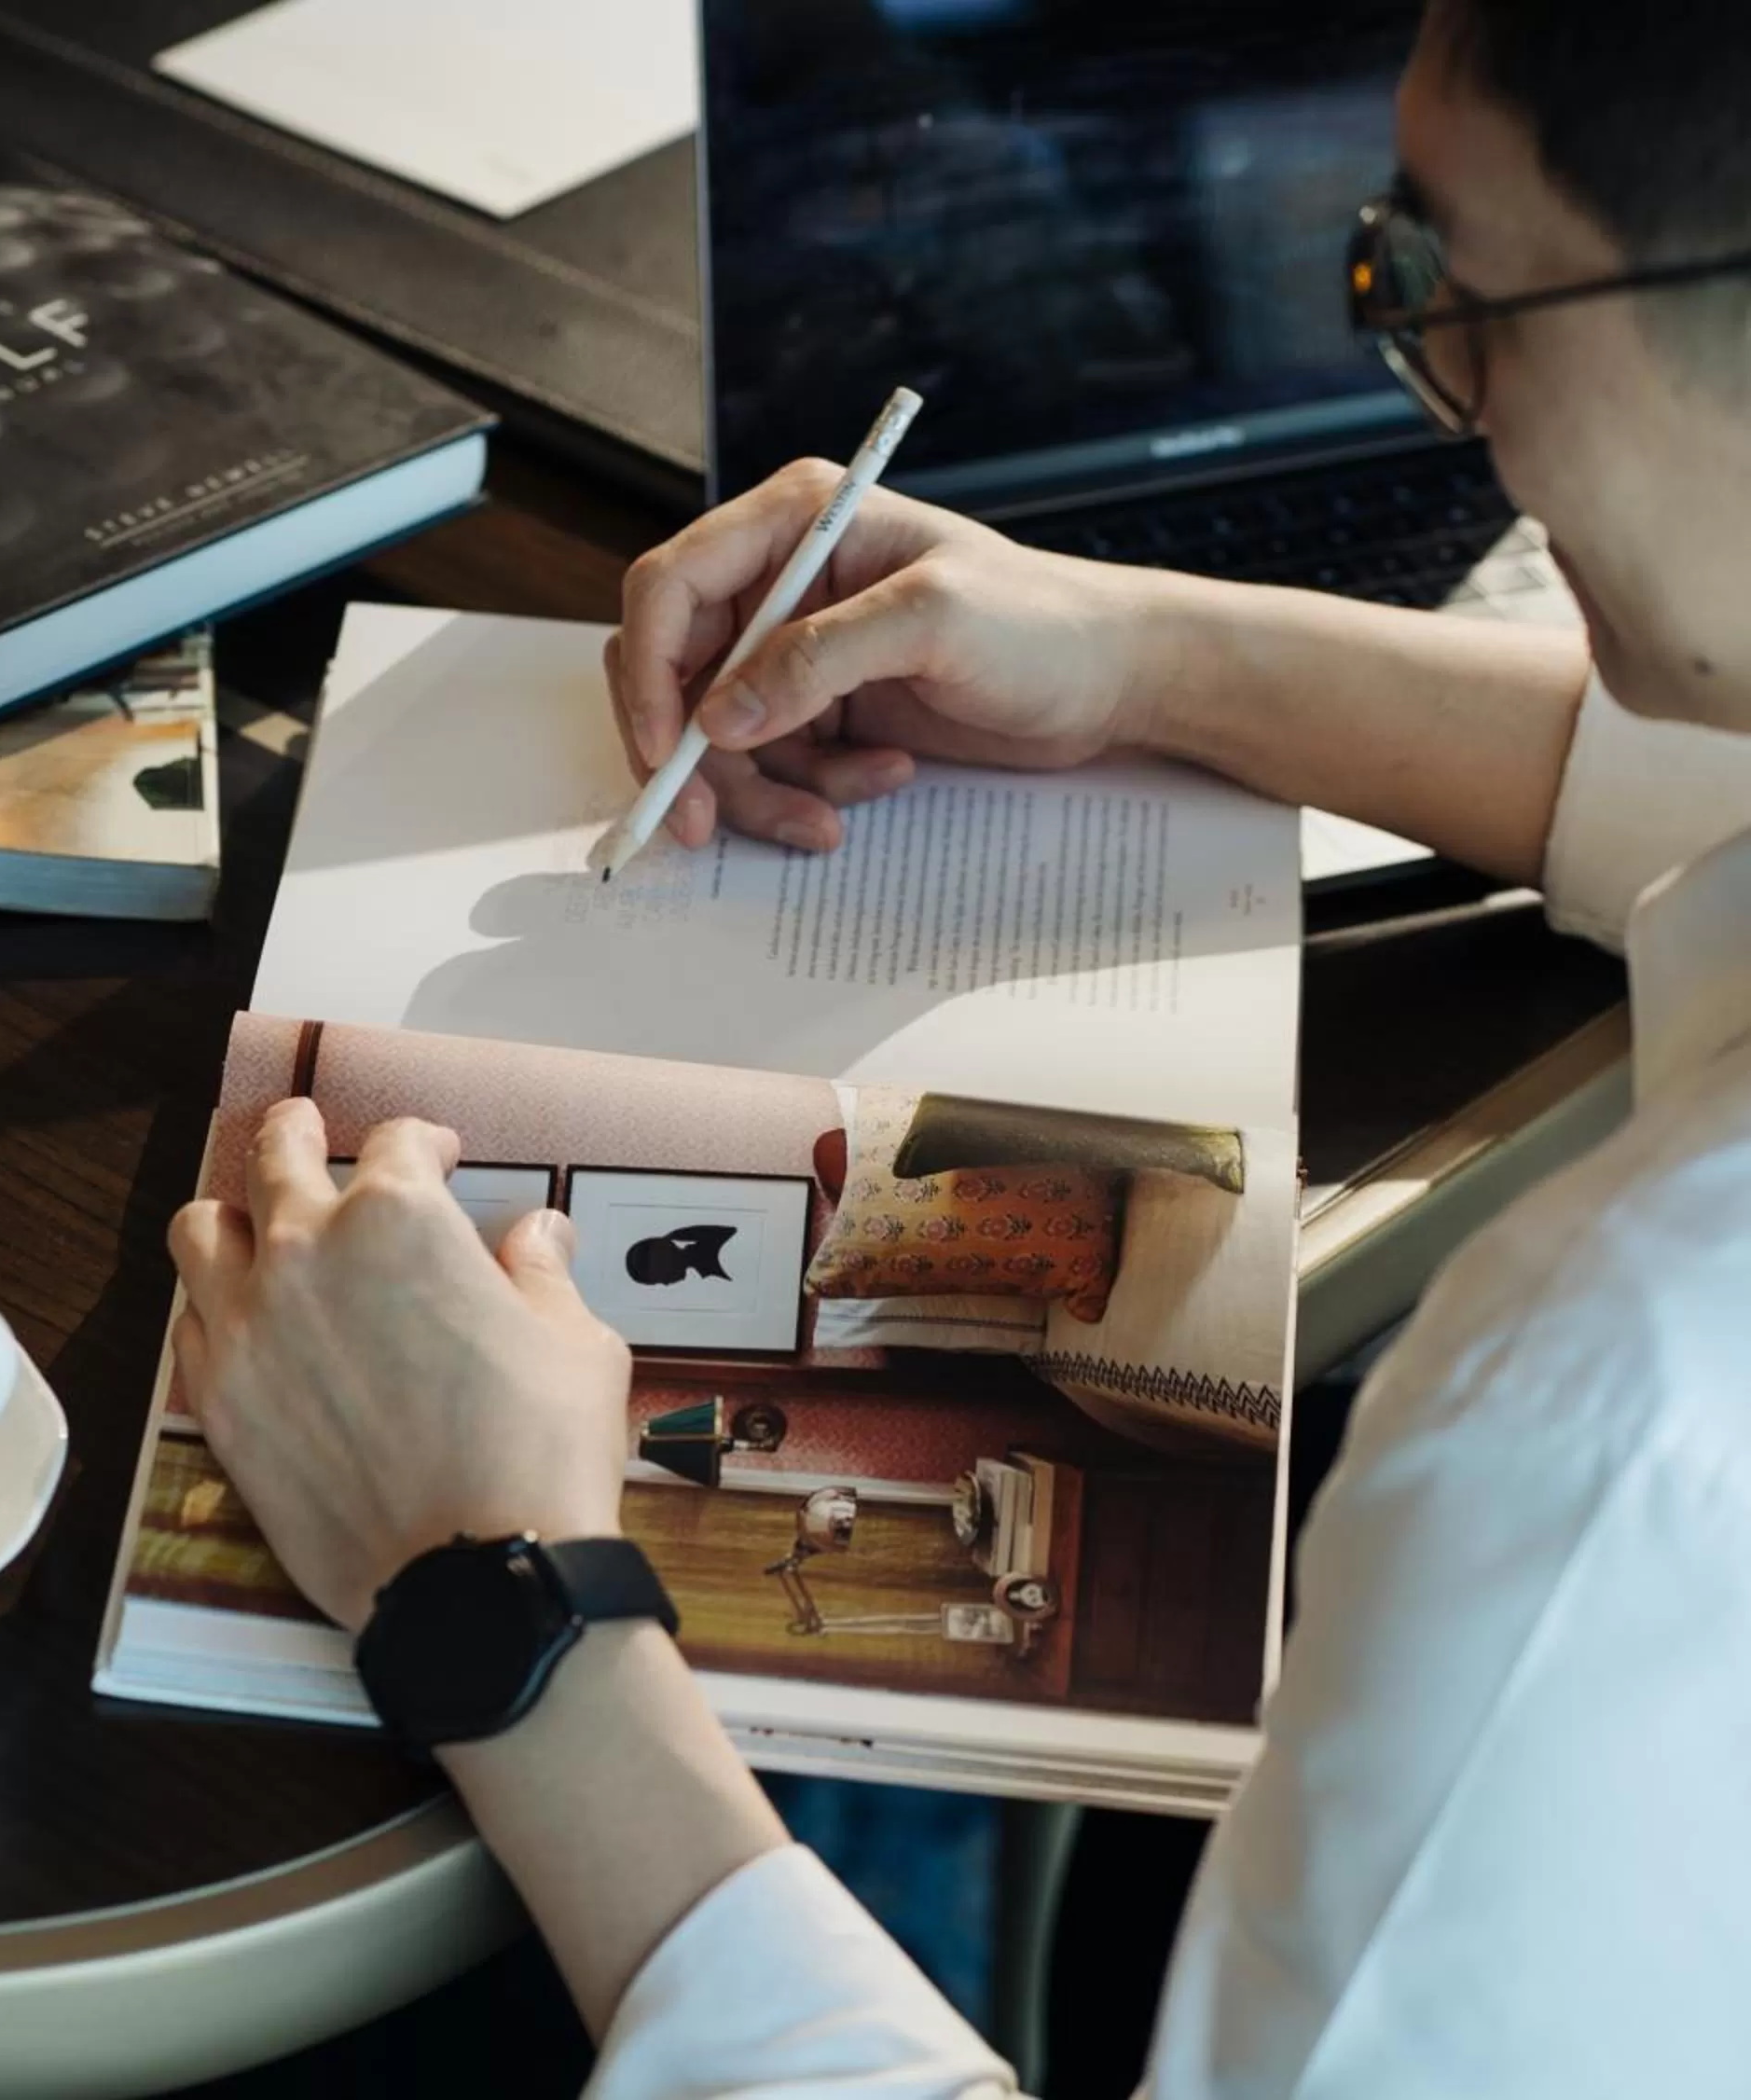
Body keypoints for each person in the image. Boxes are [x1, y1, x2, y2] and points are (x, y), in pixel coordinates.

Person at [166, 3, 1751, 2093]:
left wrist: (498, 1602)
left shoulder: (1616, 1412)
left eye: (1461, 284)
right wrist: (1140, 649)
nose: (1447, 393)